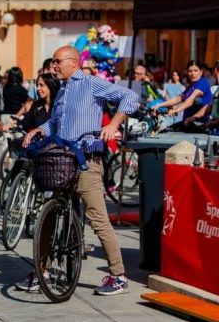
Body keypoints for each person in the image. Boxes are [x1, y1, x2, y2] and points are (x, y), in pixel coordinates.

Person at [20, 46, 139, 296]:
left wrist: (113, 124)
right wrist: (40, 130)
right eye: (53, 61)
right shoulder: (62, 89)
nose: (53, 66)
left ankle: (118, 275)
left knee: (97, 217)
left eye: (57, 61)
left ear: (73, 63)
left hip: (87, 161)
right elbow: (55, 122)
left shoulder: (91, 83)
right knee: (51, 214)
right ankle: (43, 272)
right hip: (63, 161)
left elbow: (130, 96)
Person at [151, 61, 212, 131]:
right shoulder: (191, 86)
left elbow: (191, 99)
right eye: (190, 71)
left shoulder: (203, 83)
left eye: (195, 71)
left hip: (199, 123)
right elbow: (178, 99)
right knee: (166, 129)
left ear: (201, 72)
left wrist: (177, 110)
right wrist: (160, 105)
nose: (192, 73)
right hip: (187, 123)